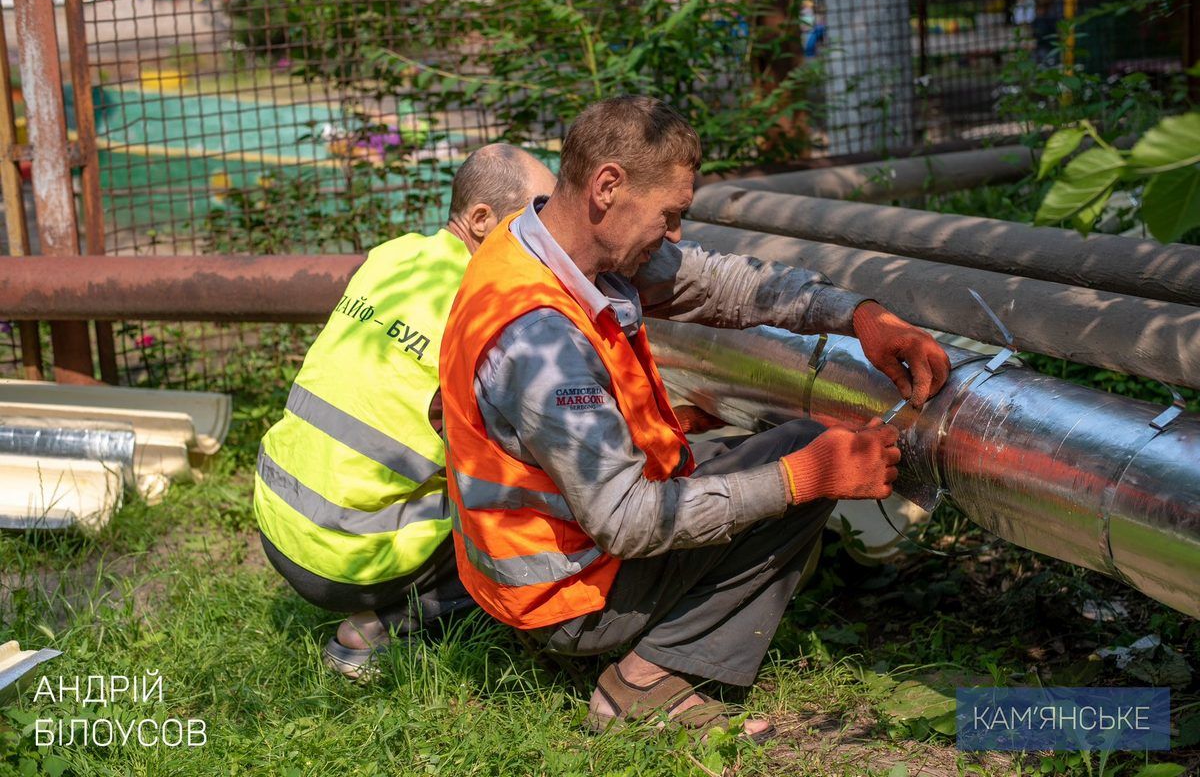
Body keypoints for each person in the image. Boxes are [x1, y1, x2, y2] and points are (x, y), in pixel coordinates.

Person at [439, 97, 950, 737]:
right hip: (565, 595)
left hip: (539, 565)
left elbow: (719, 283)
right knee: (803, 464)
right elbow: (627, 522)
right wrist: (805, 479)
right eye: (670, 214)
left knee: (787, 451)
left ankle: (631, 640)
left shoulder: (536, 243)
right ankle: (644, 682)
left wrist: (860, 316)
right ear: (607, 187)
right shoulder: (541, 341)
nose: (677, 234)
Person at [253, 144, 557, 678]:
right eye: (537, 214)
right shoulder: (483, 300)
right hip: (349, 558)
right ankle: (379, 628)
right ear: (481, 220)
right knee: (531, 502)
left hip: (276, 517)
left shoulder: (394, 257)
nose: (549, 231)